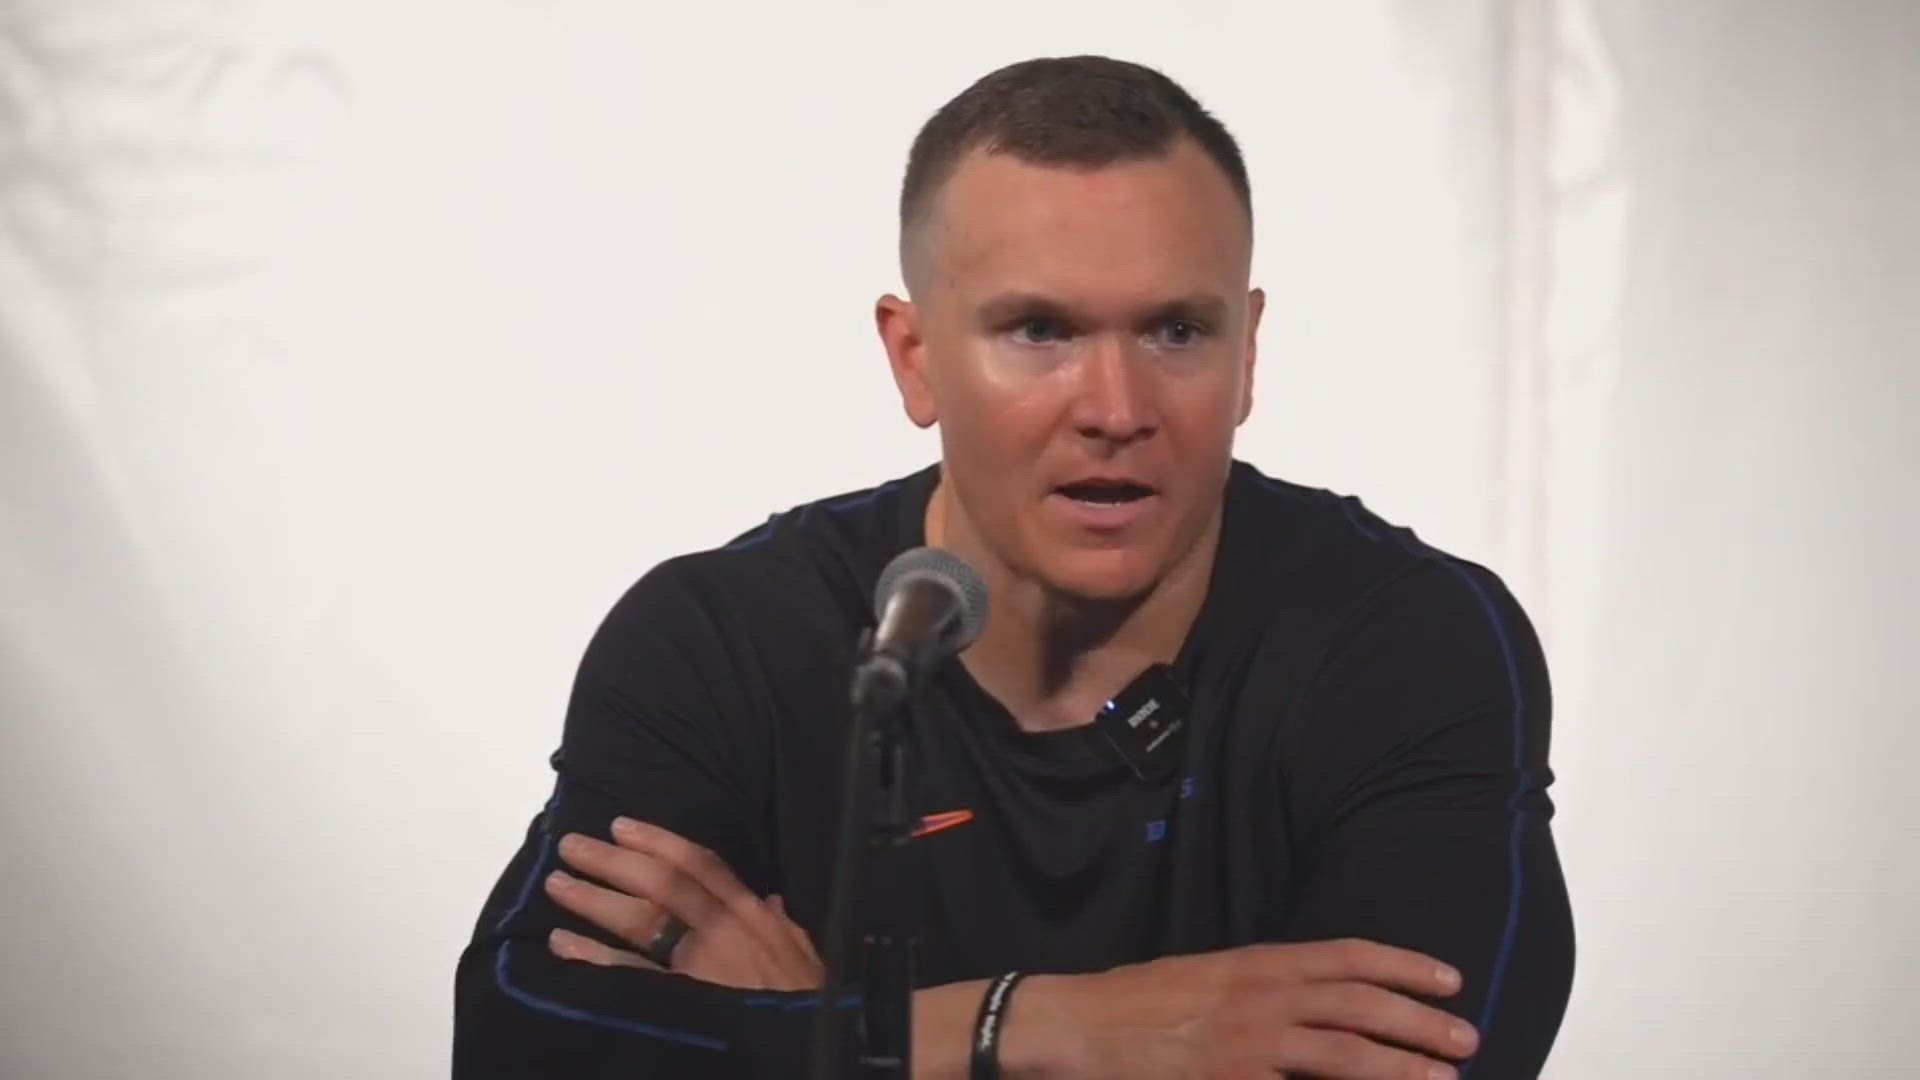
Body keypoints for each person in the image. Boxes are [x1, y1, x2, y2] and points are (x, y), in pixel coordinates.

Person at [453, 54, 1574, 1079]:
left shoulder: (1407, 642)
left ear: (1248, 353)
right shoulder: (722, 640)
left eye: (1177, 331)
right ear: (915, 358)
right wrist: (1048, 1027)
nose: (1116, 410)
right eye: (1039, 331)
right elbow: (519, 1044)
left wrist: (832, 1036)